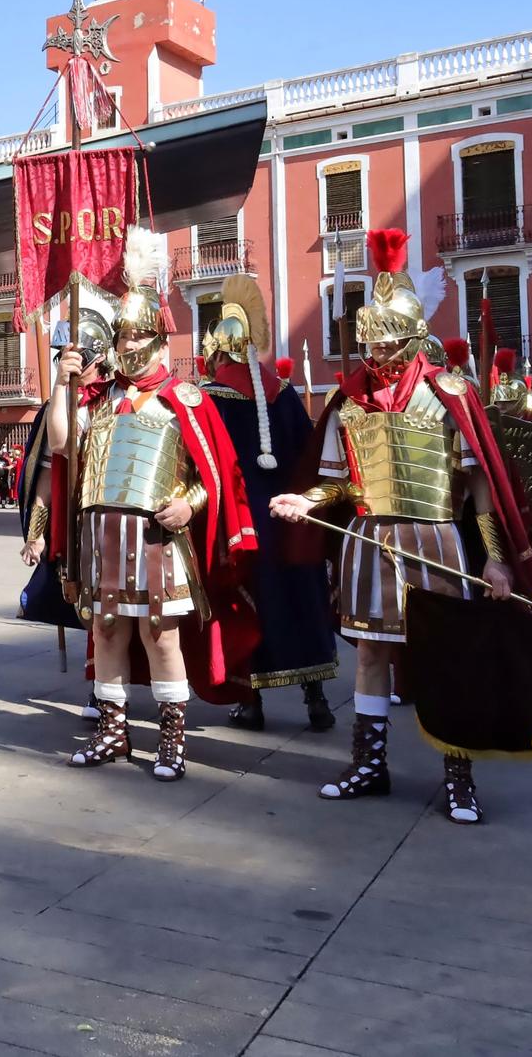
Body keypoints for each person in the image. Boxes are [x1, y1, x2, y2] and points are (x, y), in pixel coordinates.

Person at [270, 228, 530, 824]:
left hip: (435, 536)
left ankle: (458, 777)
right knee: (370, 656)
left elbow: (480, 483)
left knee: (445, 658)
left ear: (415, 341)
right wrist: (307, 502)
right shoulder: (350, 402)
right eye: (369, 348)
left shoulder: (450, 393)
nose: (377, 359)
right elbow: (340, 481)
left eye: (387, 348)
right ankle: (369, 764)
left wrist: (492, 556)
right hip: (369, 540)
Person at [24, 232, 257, 782]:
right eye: (121, 339)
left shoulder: (188, 399)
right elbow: (60, 445)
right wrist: (62, 384)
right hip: (102, 538)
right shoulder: (97, 397)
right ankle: (112, 732)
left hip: (158, 539)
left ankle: (172, 740)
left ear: (156, 336)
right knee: (107, 631)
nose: (126, 348)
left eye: (136, 338)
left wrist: (191, 507)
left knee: (161, 635)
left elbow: (219, 477)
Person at [198, 277, 337, 733]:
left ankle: (252, 702)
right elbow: (308, 455)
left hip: (244, 516)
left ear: (219, 352)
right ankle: (316, 700)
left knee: (249, 603)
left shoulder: (210, 398)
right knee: (302, 598)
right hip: (291, 514)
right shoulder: (287, 393)